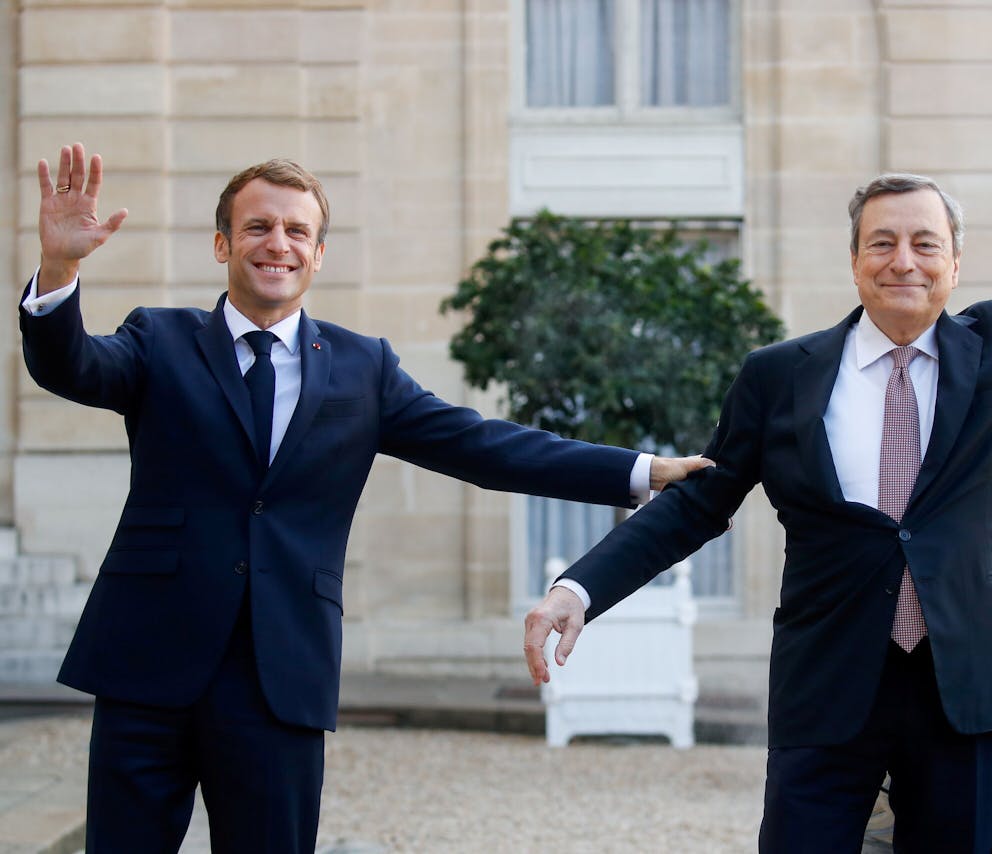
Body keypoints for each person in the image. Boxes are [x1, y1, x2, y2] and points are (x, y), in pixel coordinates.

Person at [522, 72, 992, 853]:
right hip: (829, 683)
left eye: (923, 243)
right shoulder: (779, 375)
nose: (903, 260)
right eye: (882, 242)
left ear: (955, 262)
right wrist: (582, 587)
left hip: (966, 685)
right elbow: (699, 503)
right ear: (854, 260)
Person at [19, 144, 710, 853]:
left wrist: (642, 470)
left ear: (318, 255)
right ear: (223, 243)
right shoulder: (158, 339)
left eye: (296, 231)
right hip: (147, 660)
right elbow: (71, 366)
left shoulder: (363, 368)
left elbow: (484, 446)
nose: (277, 244)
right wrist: (62, 269)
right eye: (258, 227)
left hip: (280, 671)